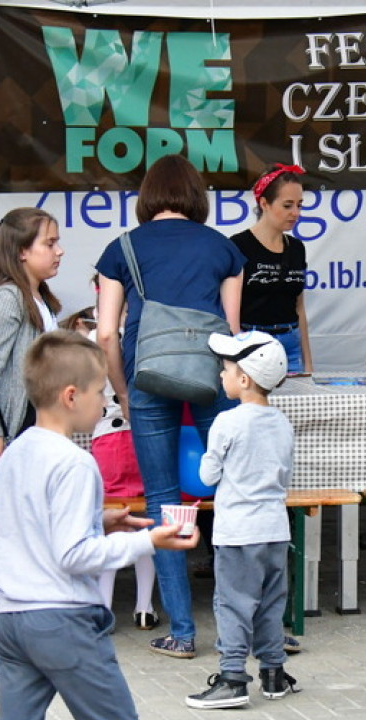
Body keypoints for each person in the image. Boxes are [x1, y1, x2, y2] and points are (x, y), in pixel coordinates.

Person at [0, 330, 199, 720]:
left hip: (10, 619)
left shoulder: (15, 453)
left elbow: (24, 523)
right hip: (62, 619)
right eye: (100, 391)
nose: (104, 403)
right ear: (71, 396)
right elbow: (74, 556)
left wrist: (98, 520)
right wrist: (148, 541)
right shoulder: (76, 462)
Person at [96, 153, 244, 660]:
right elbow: (231, 333)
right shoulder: (223, 248)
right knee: (234, 495)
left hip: (147, 379)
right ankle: (246, 626)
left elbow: (106, 334)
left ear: (148, 196)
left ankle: (181, 632)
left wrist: (123, 391)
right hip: (212, 380)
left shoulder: (121, 249)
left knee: (162, 501)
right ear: (195, 196)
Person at [0, 207, 64, 654]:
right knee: (8, 529)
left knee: (29, 528)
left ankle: (15, 615)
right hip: (12, 431)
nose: (59, 251)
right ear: (22, 251)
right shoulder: (8, 300)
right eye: (49, 243)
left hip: (35, 430)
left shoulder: (40, 299)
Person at [186, 331, 297, 708]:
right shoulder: (282, 423)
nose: (221, 374)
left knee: (233, 603)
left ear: (244, 379)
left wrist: (207, 460)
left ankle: (232, 678)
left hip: (237, 532)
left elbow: (207, 477)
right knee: (270, 603)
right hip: (275, 529)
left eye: (227, 368)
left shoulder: (226, 422)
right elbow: (285, 475)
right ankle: (273, 673)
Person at [63, 298, 161, 631]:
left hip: (107, 438)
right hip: (143, 436)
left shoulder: (90, 343)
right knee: (144, 522)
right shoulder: (143, 339)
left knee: (111, 524)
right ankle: (144, 607)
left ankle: (104, 607)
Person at [233, 163, 312, 372]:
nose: (296, 213)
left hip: (291, 346)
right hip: (253, 346)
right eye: (287, 205)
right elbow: (230, 311)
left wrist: (308, 364)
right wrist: (236, 358)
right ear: (264, 203)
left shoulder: (297, 248)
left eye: (299, 205)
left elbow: (299, 308)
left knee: (297, 395)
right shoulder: (239, 246)